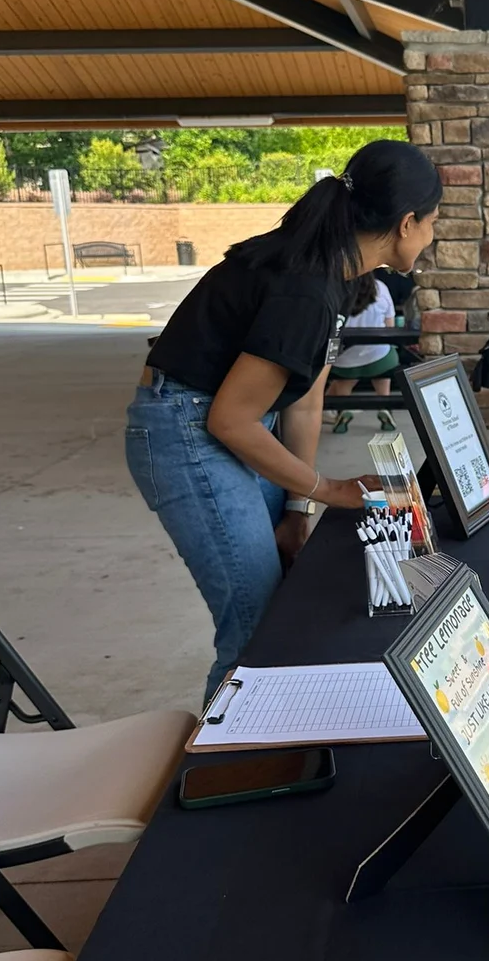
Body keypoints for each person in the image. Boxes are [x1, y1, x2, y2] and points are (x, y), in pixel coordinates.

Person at [125, 140, 442, 699]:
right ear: (407, 222)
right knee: (257, 629)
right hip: (187, 428)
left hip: (232, 421)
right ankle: (221, 774)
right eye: (433, 223)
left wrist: (300, 506)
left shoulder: (336, 273)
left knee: (283, 601)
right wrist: (328, 487)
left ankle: (270, 751)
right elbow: (230, 420)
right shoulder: (307, 289)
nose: (433, 237)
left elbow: (304, 399)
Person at [325, 272, 399, 435]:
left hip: (343, 360)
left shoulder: (335, 289)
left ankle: (343, 409)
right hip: (378, 357)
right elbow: (390, 327)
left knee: (343, 377)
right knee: (385, 353)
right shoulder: (381, 288)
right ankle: (384, 405)